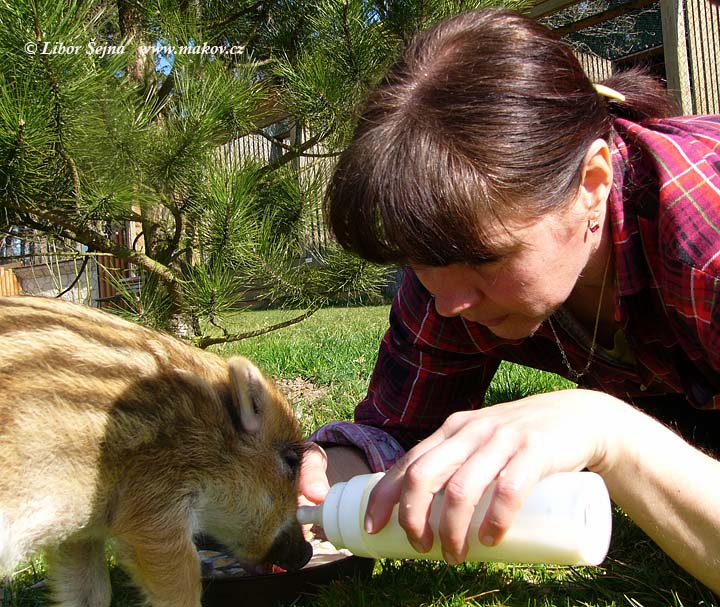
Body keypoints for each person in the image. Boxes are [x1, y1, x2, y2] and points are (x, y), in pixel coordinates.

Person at [299, 8, 720, 594]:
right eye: (421, 263)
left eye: (486, 258)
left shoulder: (708, 248)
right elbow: (397, 429)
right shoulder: (452, 274)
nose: (448, 303)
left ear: (592, 184)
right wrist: (331, 480)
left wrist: (610, 432)